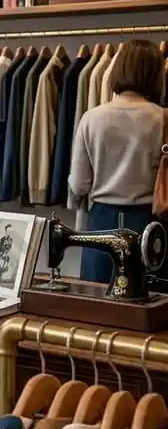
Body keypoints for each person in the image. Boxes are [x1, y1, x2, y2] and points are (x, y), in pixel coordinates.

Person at [69, 38, 166, 284]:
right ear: (155, 75)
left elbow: (79, 184)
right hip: (148, 223)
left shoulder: (91, 118)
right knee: (150, 310)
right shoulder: (163, 119)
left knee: (97, 304)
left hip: (101, 222)